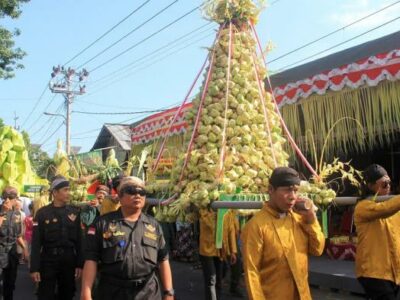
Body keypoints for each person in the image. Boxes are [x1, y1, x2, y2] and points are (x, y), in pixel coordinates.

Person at [81, 176, 174, 300]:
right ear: (120, 196)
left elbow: (163, 259)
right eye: (131, 191)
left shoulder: (154, 225)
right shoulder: (102, 224)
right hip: (112, 292)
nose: (137, 195)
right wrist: (86, 293)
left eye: (142, 192)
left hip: (148, 292)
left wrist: (169, 292)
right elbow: (91, 260)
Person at [241, 167, 325, 300]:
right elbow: (252, 273)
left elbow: (318, 250)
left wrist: (311, 220)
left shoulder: (300, 219)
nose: (292, 196)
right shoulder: (255, 226)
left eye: (295, 190)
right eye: (287, 190)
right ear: (270, 190)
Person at [30, 176, 83, 300]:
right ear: (54, 192)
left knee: (67, 293)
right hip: (48, 260)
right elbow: (36, 242)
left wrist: (80, 264)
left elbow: (80, 240)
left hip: (68, 260)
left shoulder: (74, 212)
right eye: (65, 190)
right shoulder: (42, 213)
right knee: (45, 294)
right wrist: (34, 268)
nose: (68, 193)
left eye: (69, 189)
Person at [354, 164, 400, 300]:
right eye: (384, 184)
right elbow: (385, 210)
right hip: (373, 272)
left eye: (389, 183)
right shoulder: (362, 207)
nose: (388, 187)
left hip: (393, 271)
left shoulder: (394, 207)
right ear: (370, 186)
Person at [0, 186, 28, 300]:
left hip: (12, 254)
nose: (8, 200)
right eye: (6, 197)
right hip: (0, 252)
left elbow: (18, 235)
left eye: (11, 197)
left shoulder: (17, 214)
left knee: (10, 284)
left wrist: (25, 249)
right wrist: (3, 214)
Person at [199, 208, 223, 300]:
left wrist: (233, 251)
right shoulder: (203, 210)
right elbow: (210, 225)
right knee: (211, 280)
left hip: (219, 249)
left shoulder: (223, 209)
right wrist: (217, 214)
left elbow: (230, 228)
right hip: (206, 250)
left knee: (219, 280)